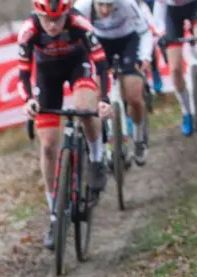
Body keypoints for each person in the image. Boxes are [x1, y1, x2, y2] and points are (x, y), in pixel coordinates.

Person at [17, 0, 113, 250]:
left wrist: (103, 100)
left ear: (67, 13)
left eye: (58, 19)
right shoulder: (29, 30)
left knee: (84, 109)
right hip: (47, 77)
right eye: (46, 19)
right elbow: (23, 74)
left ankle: (96, 157)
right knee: (48, 146)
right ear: (37, 14)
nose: (52, 25)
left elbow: (102, 65)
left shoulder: (80, 23)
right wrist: (28, 100)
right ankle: (54, 215)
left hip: (77, 67)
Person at [74, 0, 154, 165]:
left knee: (133, 96)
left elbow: (145, 32)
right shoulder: (82, 6)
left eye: (109, 5)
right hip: (99, 43)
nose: (105, 10)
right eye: (101, 5)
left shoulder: (127, 3)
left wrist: (146, 56)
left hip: (127, 42)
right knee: (96, 94)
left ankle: (139, 140)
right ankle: (106, 142)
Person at [153, 0, 197, 137]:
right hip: (172, 14)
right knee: (175, 69)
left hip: (196, 5)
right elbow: (159, 10)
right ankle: (187, 113)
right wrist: (161, 33)